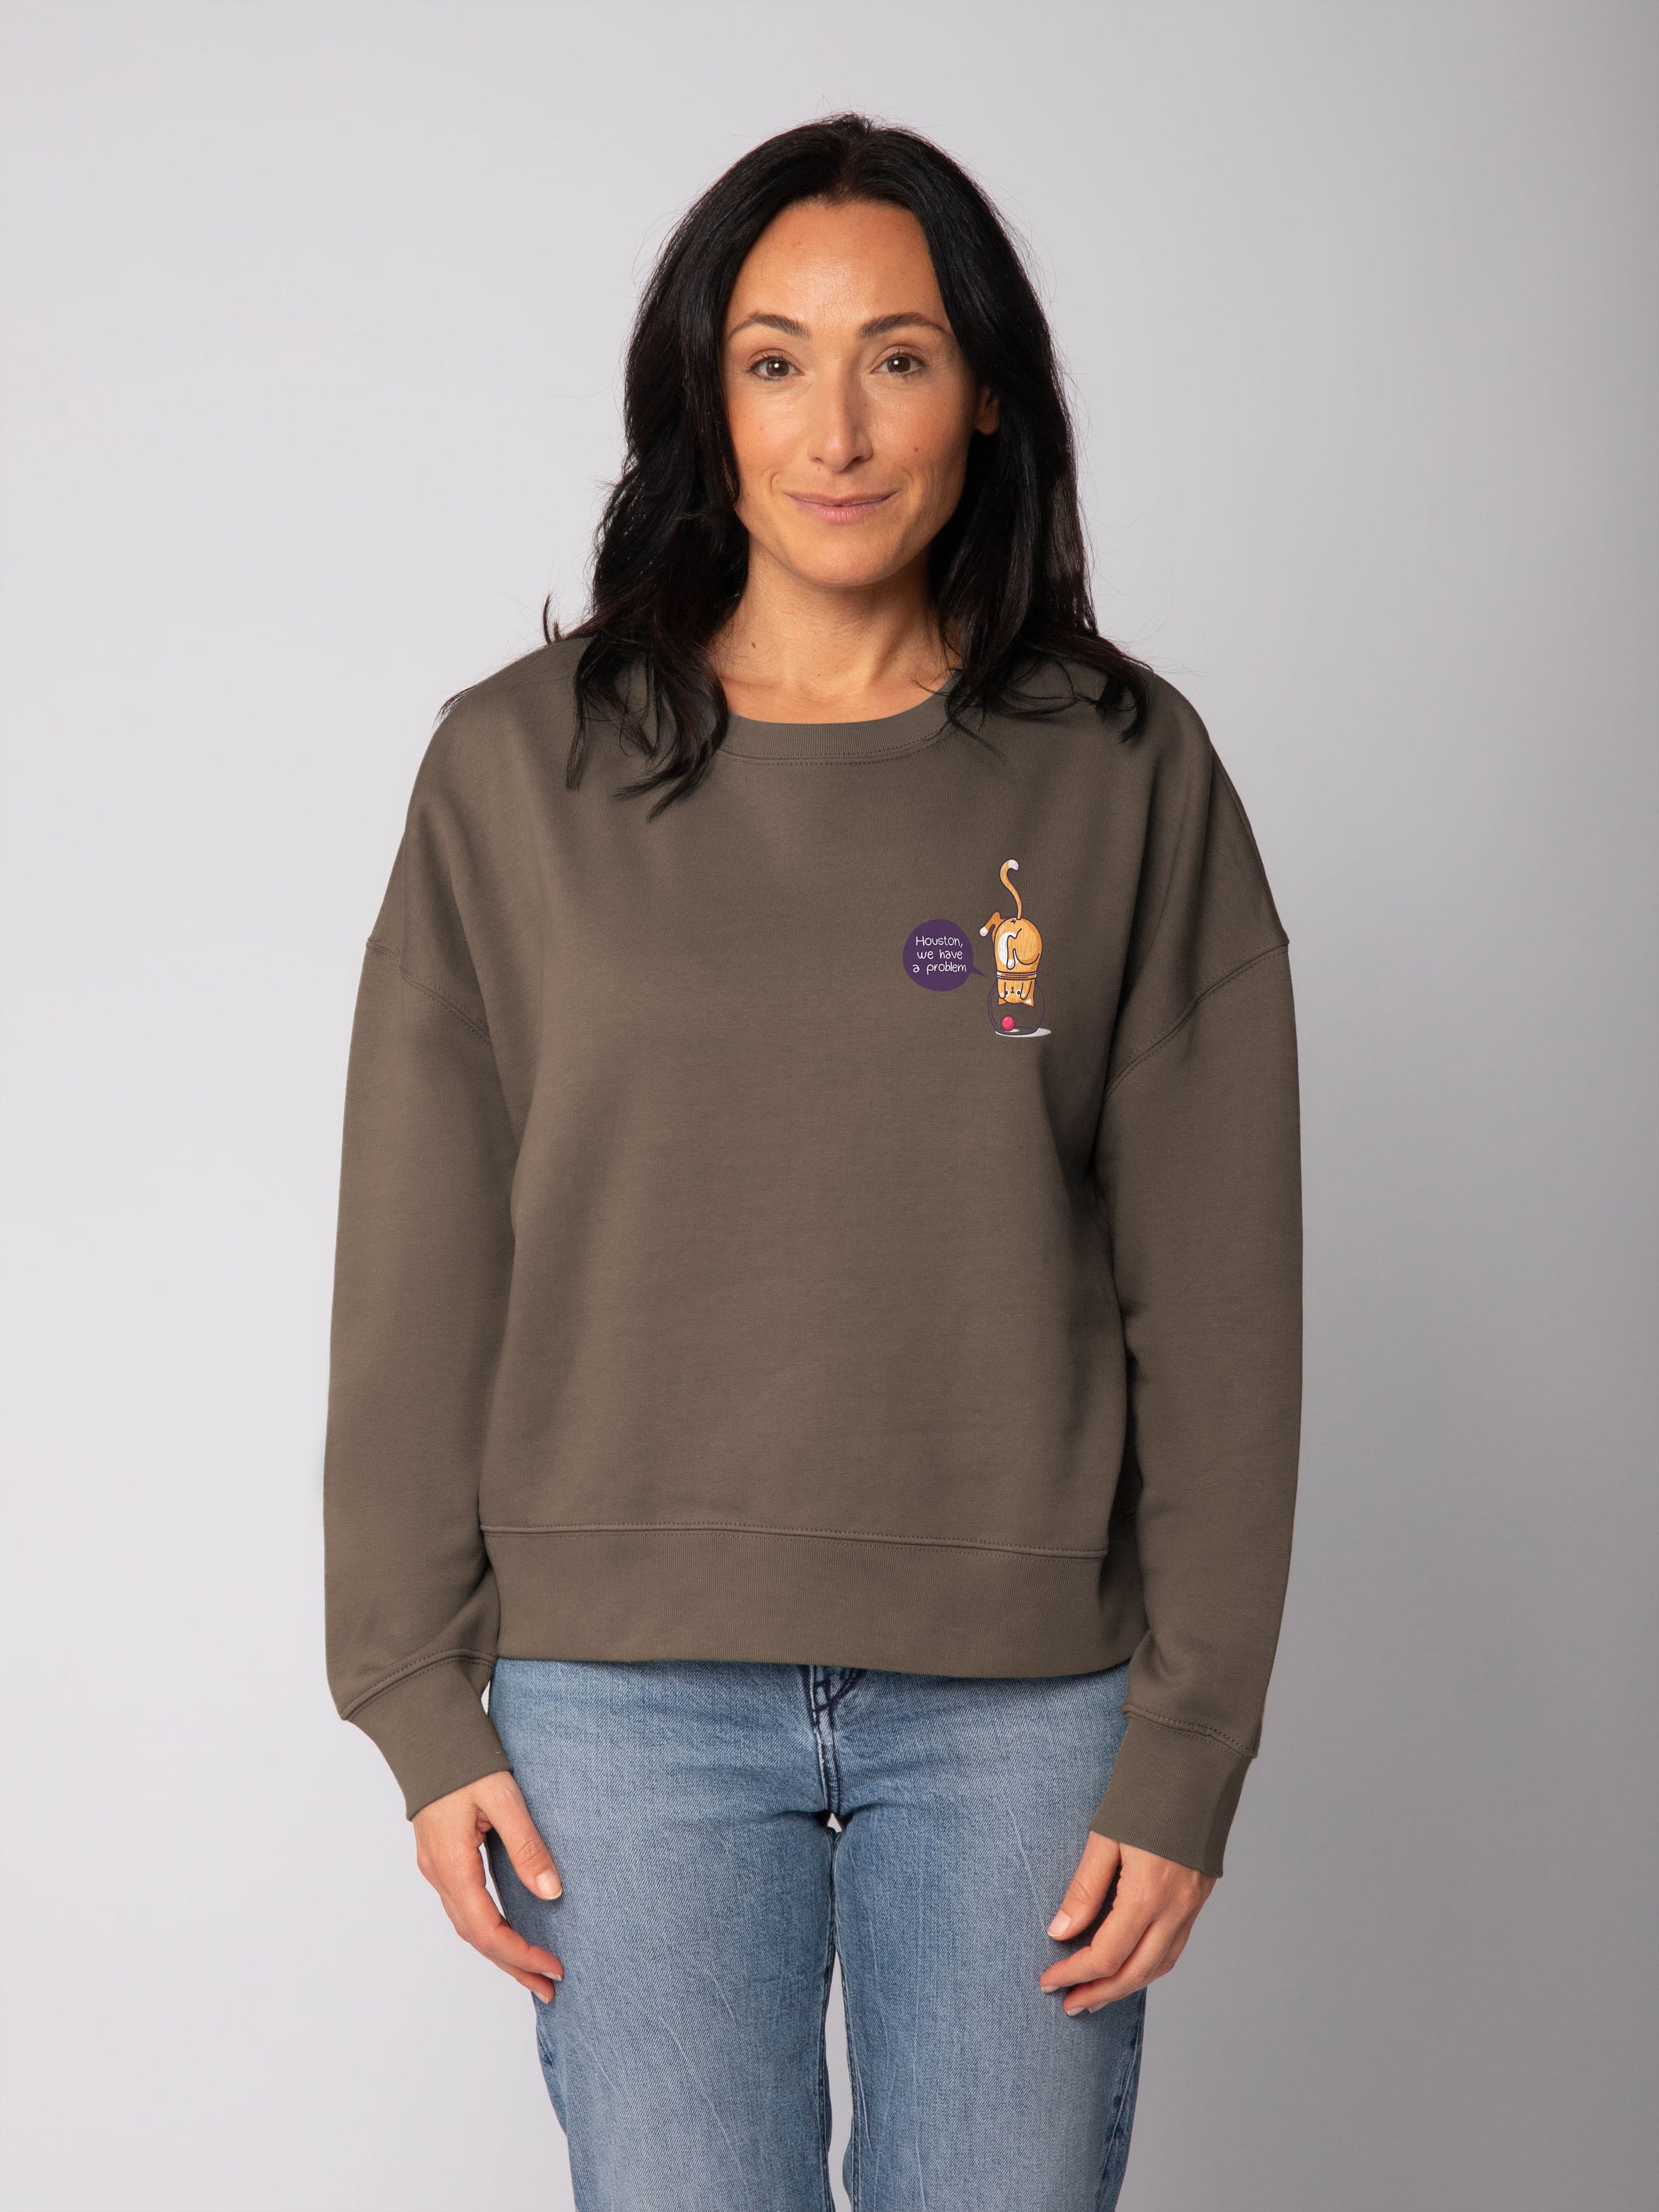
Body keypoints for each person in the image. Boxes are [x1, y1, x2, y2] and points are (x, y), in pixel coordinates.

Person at [323, 112, 1303, 2212]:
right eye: (775, 361)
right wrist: (414, 1691)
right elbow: (419, 1269)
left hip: (1030, 1710)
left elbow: (1220, 1299)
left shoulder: (1124, 773)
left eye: (898, 358)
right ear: (706, 396)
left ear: (987, 396)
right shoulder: (517, 769)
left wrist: (1194, 1736)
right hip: (620, 1709)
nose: (835, 430)